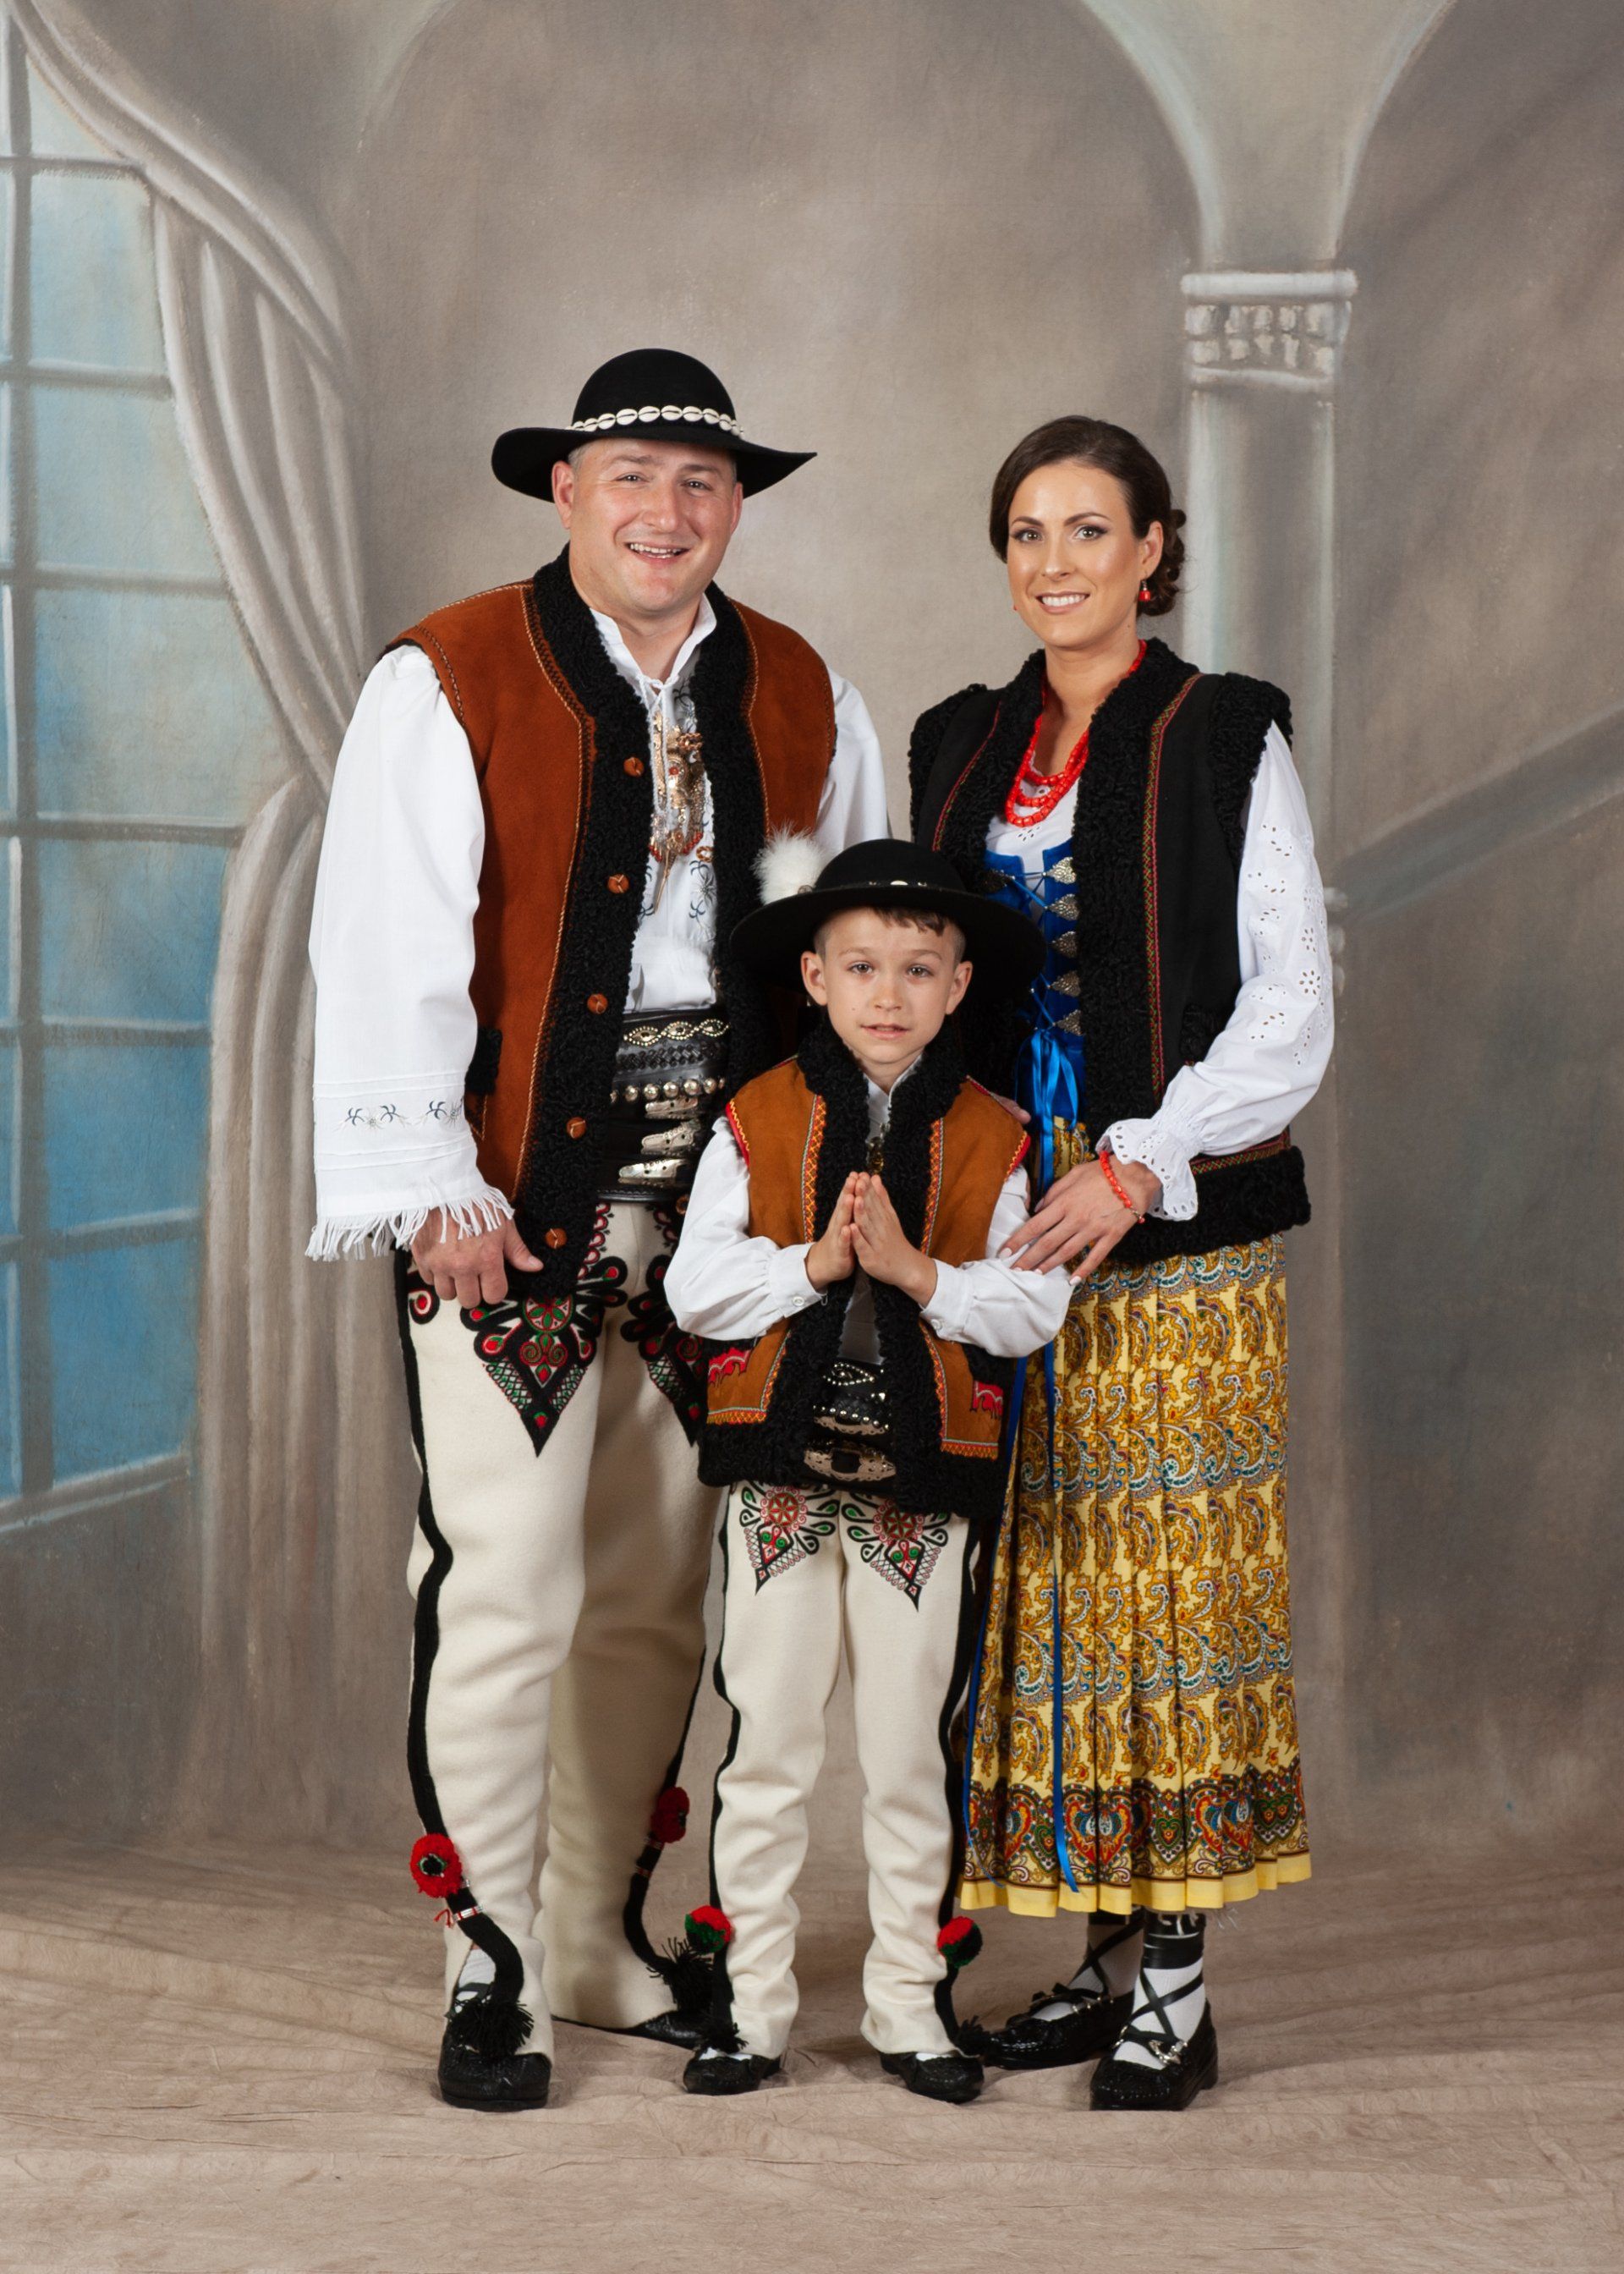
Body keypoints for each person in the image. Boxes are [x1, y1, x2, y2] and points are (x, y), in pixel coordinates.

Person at [308, 349, 889, 2110]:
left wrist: (832, 1177)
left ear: (737, 505)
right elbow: (385, 939)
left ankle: (587, 1934)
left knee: (654, 1589)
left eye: (701, 481)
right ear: (565, 491)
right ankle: (487, 1958)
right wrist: (434, 1180)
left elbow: (850, 944)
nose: (666, 510)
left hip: (723, 1217)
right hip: (514, 1204)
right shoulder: (449, 675)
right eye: (631, 475)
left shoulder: (804, 689)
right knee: (507, 1583)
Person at [908, 415, 1334, 2110]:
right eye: (1028, 530)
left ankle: (1179, 1980)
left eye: (1091, 529)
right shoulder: (959, 740)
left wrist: (1138, 1162)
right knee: (1056, 1589)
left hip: (1176, 1224)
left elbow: (1289, 1003)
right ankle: (1101, 1951)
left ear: (1154, 550)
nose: (1056, 561)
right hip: (1004, 1223)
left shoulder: (1226, 730)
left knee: (1168, 1587)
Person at [663, 838, 1070, 2103]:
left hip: (920, 1489)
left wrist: (916, 1274)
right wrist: (819, 1266)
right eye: (860, 967)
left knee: (905, 1757)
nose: (888, 993)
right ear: (813, 977)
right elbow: (695, 1286)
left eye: (918, 969)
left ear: (958, 987)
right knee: (767, 1748)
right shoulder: (756, 1115)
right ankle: (750, 2009)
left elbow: (1031, 1305)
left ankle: (910, 2007)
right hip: (780, 1479)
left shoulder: (998, 1136)